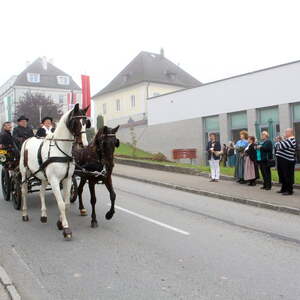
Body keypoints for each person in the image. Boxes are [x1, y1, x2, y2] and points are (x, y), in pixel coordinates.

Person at [275, 128, 296, 195]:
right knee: (282, 175)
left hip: (287, 160)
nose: (285, 133)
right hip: (282, 160)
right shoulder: (287, 140)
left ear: (291, 133)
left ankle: (289, 190)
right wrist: (280, 142)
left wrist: (279, 142)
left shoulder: (292, 140)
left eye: (286, 132)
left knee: (287, 175)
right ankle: (283, 189)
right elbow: (276, 146)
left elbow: (281, 146)